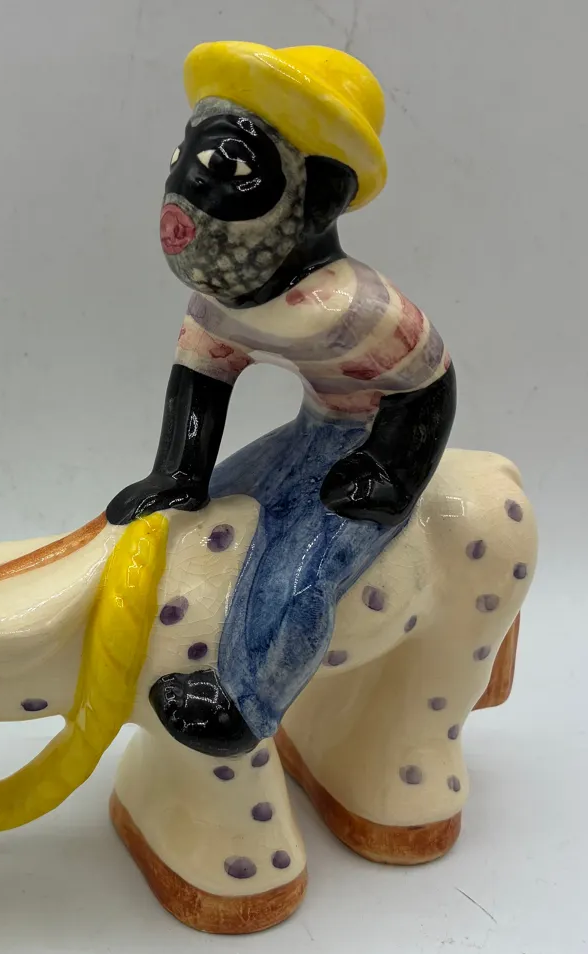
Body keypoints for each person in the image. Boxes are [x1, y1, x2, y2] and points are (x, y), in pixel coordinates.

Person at [108, 43, 456, 756]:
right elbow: (203, 378)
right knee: (205, 517)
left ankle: (247, 701)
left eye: (227, 168)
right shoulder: (220, 298)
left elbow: (431, 384)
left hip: (374, 443)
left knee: (297, 572)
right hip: (313, 426)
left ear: (317, 197)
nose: (186, 185)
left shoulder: (357, 309)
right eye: (184, 158)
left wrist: (391, 473)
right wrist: (180, 471)